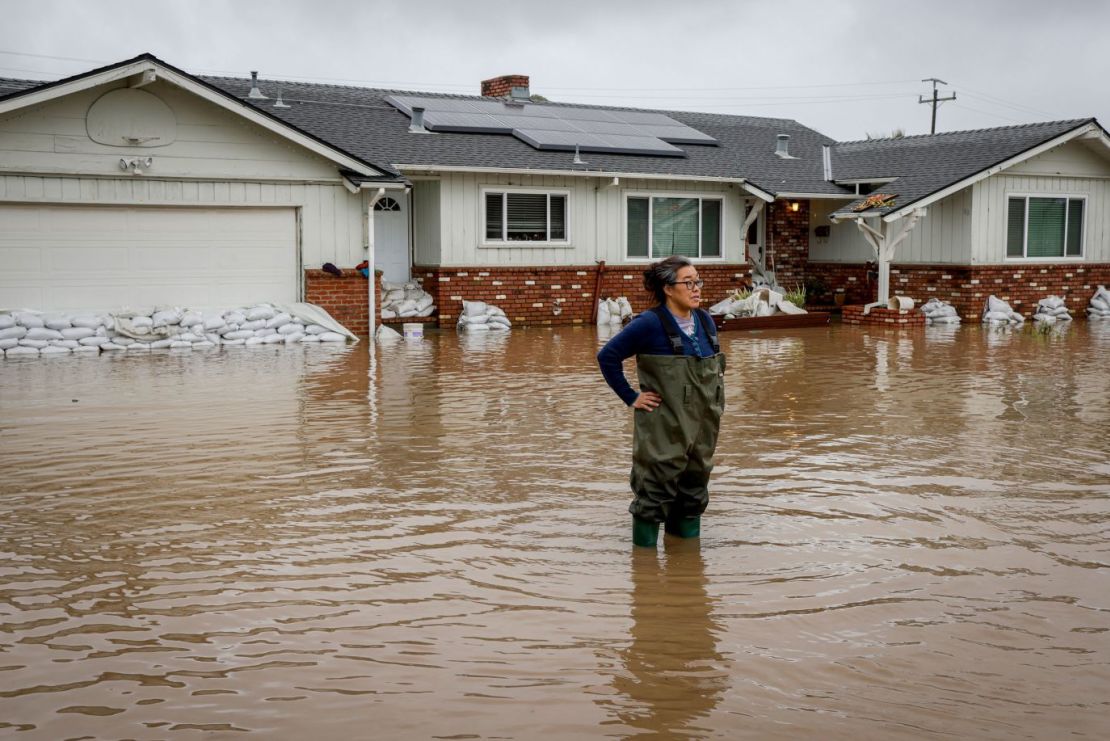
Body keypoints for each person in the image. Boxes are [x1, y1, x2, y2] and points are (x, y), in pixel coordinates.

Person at [597, 256, 726, 547]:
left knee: (694, 492)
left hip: (702, 428)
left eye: (698, 281)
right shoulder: (648, 324)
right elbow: (607, 357)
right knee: (654, 493)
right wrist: (632, 397)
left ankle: (685, 566)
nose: (696, 288)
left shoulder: (705, 321)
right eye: (688, 282)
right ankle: (645, 570)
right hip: (662, 428)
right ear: (668, 288)